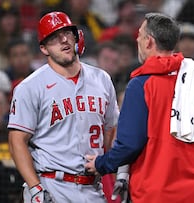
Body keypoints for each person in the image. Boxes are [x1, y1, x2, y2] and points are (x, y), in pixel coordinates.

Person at [85, 12, 194, 202]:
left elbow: (129, 144)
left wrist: (101, 163)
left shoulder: (140, 85)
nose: (136, 38)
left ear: (148, 42)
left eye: (140, 34)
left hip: (155, 193)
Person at [7, 11, 119, 203]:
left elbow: (112, 129)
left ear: (76, 37)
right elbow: (16, 141)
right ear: (44, 49)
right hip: (51, 186)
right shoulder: (30, 86)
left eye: (67, 33)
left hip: (93, 187)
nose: (63, 40)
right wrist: (35, 188)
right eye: (54, 38)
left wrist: (115, 170)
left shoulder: (102, 79)